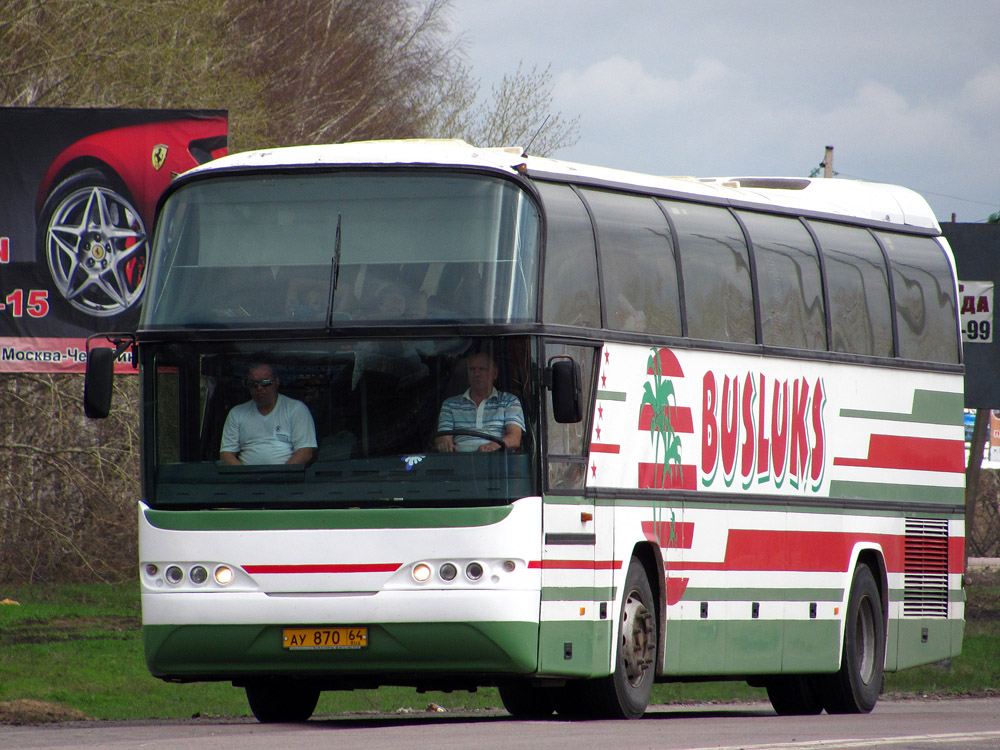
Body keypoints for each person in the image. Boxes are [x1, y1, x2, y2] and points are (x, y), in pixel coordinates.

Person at [220, 364, 317, 465]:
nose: (259, 388)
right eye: (253, 383)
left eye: (265, 383)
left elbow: (305, 452)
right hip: (245, 479)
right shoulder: (236, 413)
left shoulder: (296, 409)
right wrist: (244, 476)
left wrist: (281, 475)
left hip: (287, 478)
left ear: (277, 382)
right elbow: (226, 453)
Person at [435, 352, 524, 452]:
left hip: (499, 463)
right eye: (472, 369)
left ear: (494, 374)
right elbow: (443, 437)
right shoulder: (450, 404)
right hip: (459, 463)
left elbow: (515, 438)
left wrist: (492, 447)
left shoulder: (510, 401)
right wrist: (445, 444)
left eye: (482, 369)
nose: (476, 374)